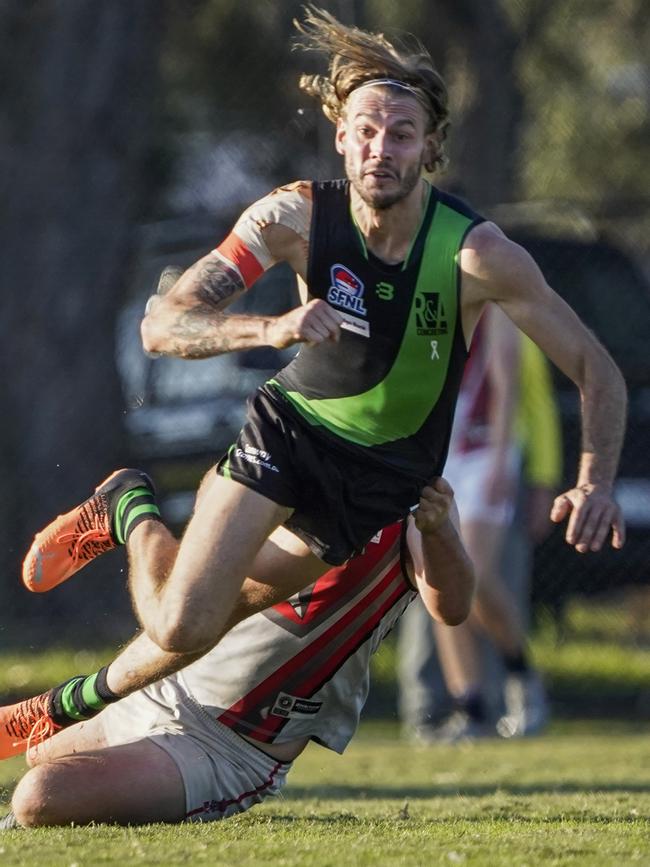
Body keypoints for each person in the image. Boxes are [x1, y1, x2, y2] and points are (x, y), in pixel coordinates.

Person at [19, 7, 626, 728]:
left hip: (375, 485)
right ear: (340, 138)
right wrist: (271, 325)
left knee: (220, 609)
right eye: (365, 131)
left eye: (402, 134)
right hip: (291, 436)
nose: (380, 148)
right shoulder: (294, 218)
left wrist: (594, 481)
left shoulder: (476, 254)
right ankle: (127, 520)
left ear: (430, 148)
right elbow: (163, 324)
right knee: (185, 624)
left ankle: (72, 679)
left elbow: (596, 369)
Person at [1, 478, 474, 827]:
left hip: (228, 748)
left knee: (40, 797)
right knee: (40, 756)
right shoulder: (285, 456)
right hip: (170, 683)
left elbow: (450, 607)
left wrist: (437, 530)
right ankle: (132, 509)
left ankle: (128, 509)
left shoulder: (411, 488)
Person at [398, 321, 561, 741]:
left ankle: (521, 674)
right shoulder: (428, 304)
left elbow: (512, 391)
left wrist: (502, 461)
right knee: (440, 579)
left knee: (478, 577)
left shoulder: (499, 308)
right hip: (440, 458)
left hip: (485, 456)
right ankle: (470, 708)